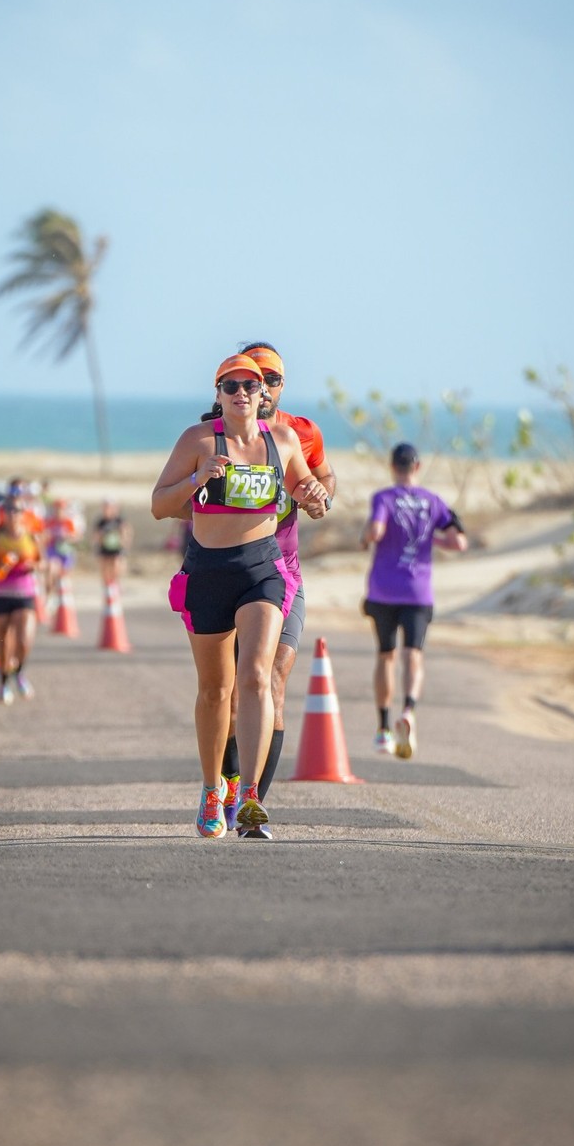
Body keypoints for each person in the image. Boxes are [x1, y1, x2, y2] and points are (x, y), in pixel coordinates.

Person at [152, 354, 328, 839]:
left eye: (251, 385)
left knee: (256, 674)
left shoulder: (285, 441)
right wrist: (197, 478)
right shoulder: (197, 440)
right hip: (209, 570)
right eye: (231, 386)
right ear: (218, 394)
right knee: (215, 691)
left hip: (263, 569)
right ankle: (213, 788)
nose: (242, 393)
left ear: (264, 393)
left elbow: (311, 495)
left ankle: (250, 794)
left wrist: (318, 498)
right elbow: (158, 505)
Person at [218, 341, 335, 838]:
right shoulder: (217, 431)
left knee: (272, 682)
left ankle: (252, 808)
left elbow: (323, 480)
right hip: (226, 571)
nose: (259, 387)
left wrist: (318, 495)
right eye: (250, 378)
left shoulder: (300, 433)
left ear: (281, 386)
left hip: (283, 573)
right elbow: (179, 501)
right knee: (229, 692)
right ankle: (222, 785)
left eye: (271, 379)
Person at [362, 442, 468, 757]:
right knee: (414, 656)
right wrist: (429, 539)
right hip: (418, 591)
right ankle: (408, 709)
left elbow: (376, 532)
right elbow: (459, 541)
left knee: (385, 656)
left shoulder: (384, 498)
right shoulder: (433, 501)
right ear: (417, 468)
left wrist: (364, 535)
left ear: (393, 467)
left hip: (383, 589)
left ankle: (382, 729)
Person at [0, 496, 42, 704]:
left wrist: (32, 567)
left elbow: (43, 562)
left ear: (24, 514)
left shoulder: (31, 536)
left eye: (18, 510)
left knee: (24, 640)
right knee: (2, 643)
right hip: (0, 595)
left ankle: (19, 672)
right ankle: (4, 683)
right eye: (10, 511)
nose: (14, 515)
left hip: (25, 594)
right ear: (4, 515)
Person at [94, 499, 132, 588]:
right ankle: (107, 587)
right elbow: (96, 535)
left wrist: (125, 541)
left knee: (116, 566)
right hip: (105, 547)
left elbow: (126, 530)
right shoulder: (101, 522)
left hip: (116, 547)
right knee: (105, 568)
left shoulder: (119, 520)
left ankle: (115, 585)